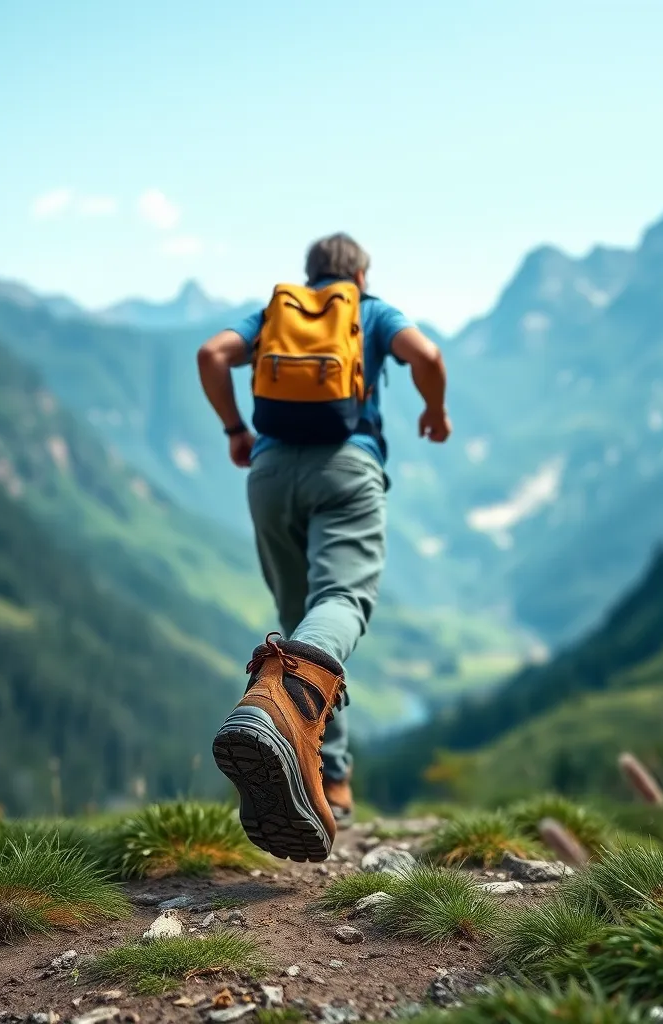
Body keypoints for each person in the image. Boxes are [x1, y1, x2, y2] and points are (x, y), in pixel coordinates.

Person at [197, 233, 450, 861]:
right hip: (346, 469)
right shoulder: (369, 311)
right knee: (340, 602)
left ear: (308, 276)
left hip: (270, 474)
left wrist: (236, 429)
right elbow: (428, 354)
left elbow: (210, 354)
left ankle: (327, 779)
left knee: (304, 626)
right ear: (360, 275)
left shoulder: (274, 316)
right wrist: (435, 410)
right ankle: (285, 713)